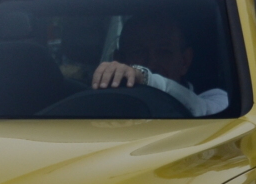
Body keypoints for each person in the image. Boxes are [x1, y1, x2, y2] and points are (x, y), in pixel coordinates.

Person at [92, 13, 229, 117]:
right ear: (119, 59)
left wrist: (143, 77)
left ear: (185, 61)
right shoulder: (102, 106)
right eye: (138, 52)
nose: (152, 63)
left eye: (164, 52)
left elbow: (201, 109)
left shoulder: (218, 100)